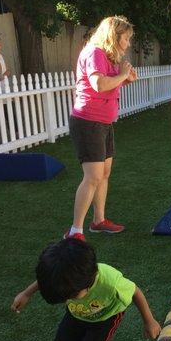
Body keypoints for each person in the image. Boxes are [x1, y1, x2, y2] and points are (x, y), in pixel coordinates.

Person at [11, 238, 161, 341]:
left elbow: (135, 291)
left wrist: (149, 321)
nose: (66, 300)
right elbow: (48, 278)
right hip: (76, 315)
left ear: (86, 284)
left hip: (105, 317)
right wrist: (26, 293)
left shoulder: (111, 282)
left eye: (69, 296)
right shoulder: (65, 275)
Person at [65, 16, 137, 241]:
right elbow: (99, 84)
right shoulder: (95, 52)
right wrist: (123, 75)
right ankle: (75, 230)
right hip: (88, 122)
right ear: (113, 37)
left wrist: (124, 78)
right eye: (125, 39)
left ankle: (98, 220)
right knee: (93, 176)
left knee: (104, 173)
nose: (127, 44)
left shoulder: (107, 56)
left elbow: (108, 83)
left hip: (104, 123)